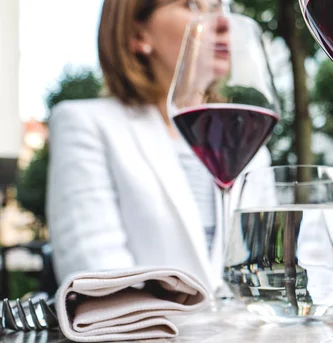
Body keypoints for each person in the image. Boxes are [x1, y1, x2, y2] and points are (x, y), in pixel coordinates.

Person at [46, 0, 271, 289]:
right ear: (139, 35)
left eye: (219, 6)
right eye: (193, 5)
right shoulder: (85, 124)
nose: (224, 22)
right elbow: (101, 286)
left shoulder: (251, 152)